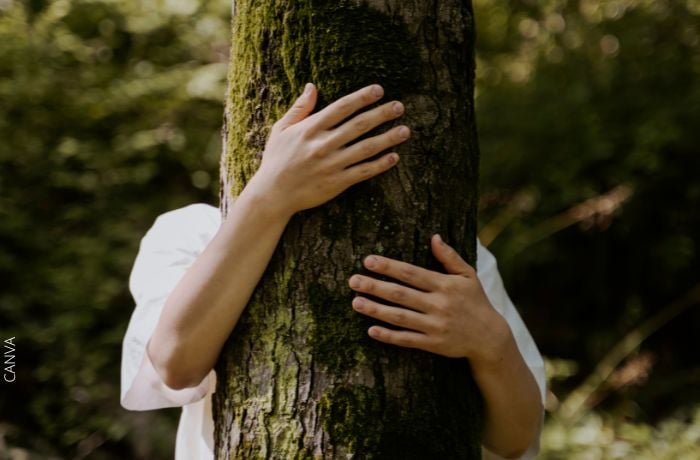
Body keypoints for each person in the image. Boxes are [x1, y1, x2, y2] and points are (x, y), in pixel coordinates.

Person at [120, 83, 546, 459]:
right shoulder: (193, 232)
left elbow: (512, 441)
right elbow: (176, 363)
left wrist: (490, 342)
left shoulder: (453, 251)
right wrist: (270, 197)